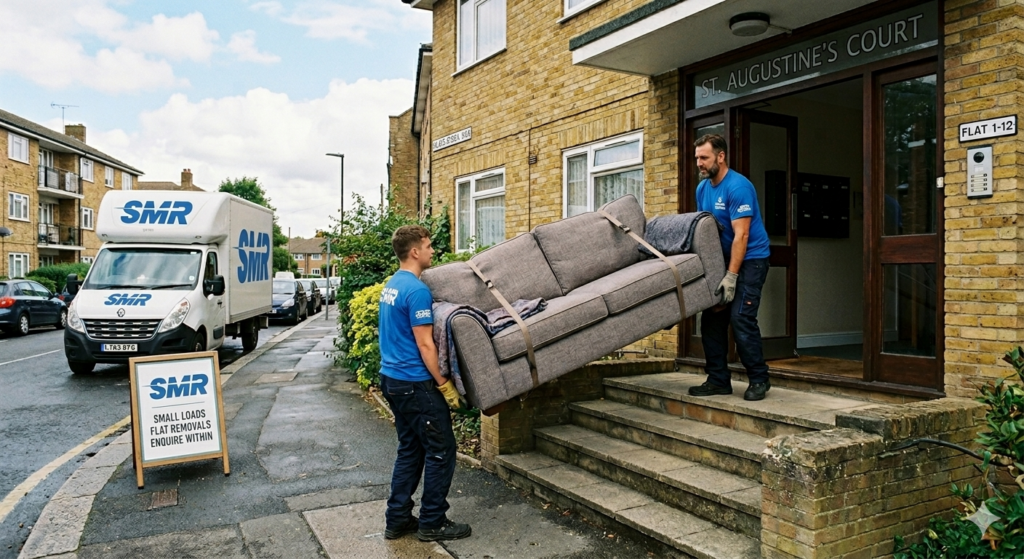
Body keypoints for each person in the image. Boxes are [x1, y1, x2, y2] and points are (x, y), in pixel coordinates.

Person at [378, 225, 472, 541]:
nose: (433, 251)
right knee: (441, 449)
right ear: (415, 251)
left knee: (411, 449)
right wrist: (444, 384)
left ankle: (398, 519)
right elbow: (425, 344)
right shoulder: (417, 291)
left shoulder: (392, 285)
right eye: (429, 246)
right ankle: (432, 521)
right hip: (415, 384)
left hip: (392, 379)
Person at [691, 134, 773, 401]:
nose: (699, 163)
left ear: (721, 156)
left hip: (751, 260)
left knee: (740, 317)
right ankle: (718, 380)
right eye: (697, 158)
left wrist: (731, 276)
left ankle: (759, 379)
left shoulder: (738, 187)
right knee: (712, 319)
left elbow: (742, 236)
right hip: (722, 260)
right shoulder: (702, 189)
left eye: (704, 158)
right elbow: (705, 232)